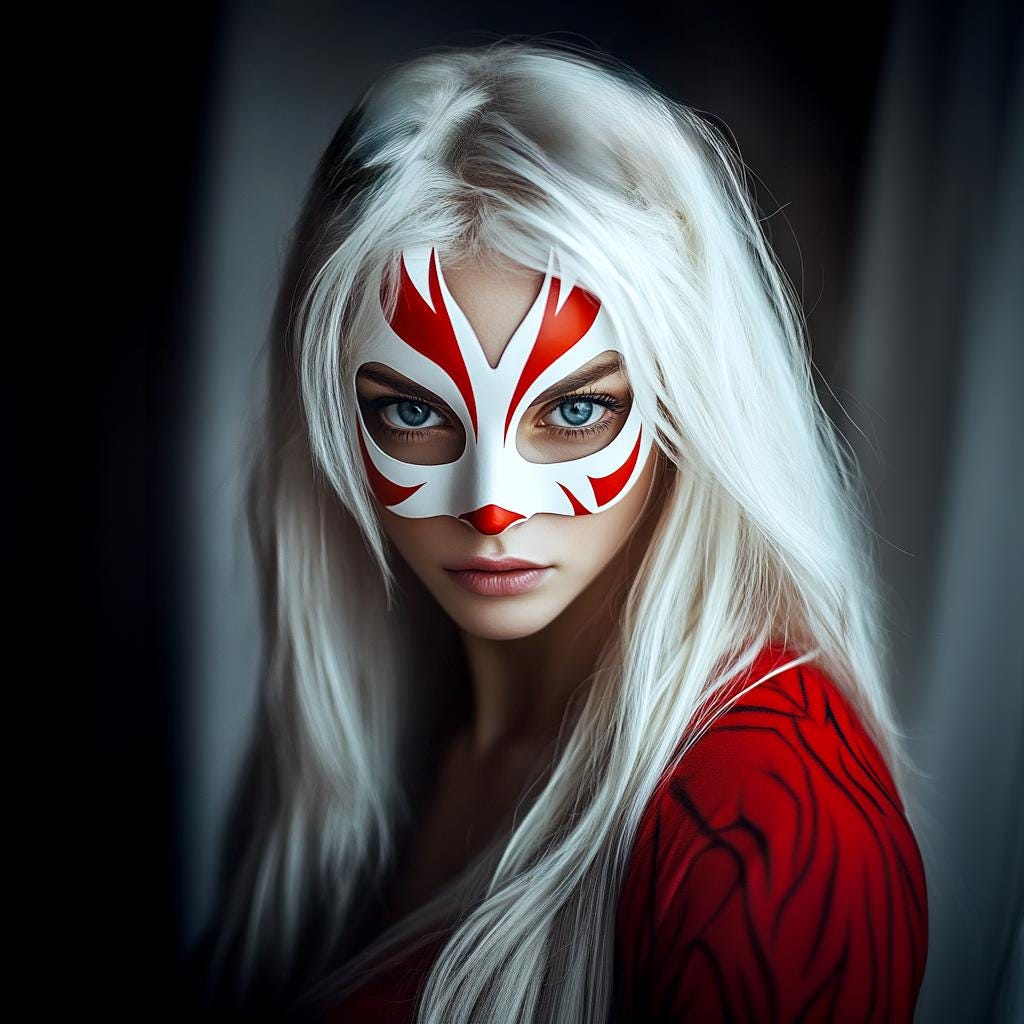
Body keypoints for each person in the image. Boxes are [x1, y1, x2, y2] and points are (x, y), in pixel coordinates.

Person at [183, 39, 928, 1023]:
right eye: (412, 411)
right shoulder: (383, 713)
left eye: (574, 412)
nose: (492, 505)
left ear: (689, 408)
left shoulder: (767, 822)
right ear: (324, 415)